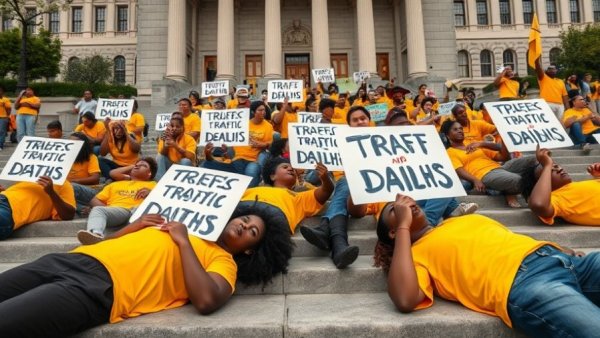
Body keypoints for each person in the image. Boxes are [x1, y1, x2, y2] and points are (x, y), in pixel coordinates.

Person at [0, 201, 293, 337]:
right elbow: (110, 244)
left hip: (97, 290)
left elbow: (206, 300)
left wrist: (183, 242)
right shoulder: (185, 224)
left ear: (250, 250)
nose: (244, 225)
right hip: (70, 260)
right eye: (246, 219)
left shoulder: (223, 262)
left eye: (251, 232)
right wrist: (134, 227)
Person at [375, 193, 600, 338]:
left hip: (565, 261)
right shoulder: (414, 256)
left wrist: (562, 251)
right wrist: (404, 225)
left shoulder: (459, 220)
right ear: (393, 232)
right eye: (395, 209)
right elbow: (404, 299)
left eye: (406, 201)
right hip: (527, 283)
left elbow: (507, 239)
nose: (405, 204)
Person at [441, 120, 536, 207]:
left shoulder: (473, 145)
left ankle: (507, 190)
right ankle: (513, 192)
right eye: (455, 129)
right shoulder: (450, 152)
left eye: (461, 128)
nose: (460, 131)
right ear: (448, 136)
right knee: (518, 180)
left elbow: (503, 157)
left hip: (500, 168)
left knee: (535, 159)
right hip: (484, 174)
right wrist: (475, 180)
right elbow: (459, 170)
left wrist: (487, 142)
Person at [241, 157, 334, 235]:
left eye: (293, 169)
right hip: (243, 211)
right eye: (285, 167)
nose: (290, 169)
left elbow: (326, 191)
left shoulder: (299, 197)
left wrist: (325, 179)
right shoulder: (250, 191)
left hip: (274, 221)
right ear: (272, 176)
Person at [77, 157, 157, 243]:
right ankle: (95, 235)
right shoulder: (115, 184)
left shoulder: (154, 185)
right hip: (118, 212)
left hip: (138, 213)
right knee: (97, 209)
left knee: (138, 209)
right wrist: (107, 211)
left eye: (143, 166)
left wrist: (152, 193)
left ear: (149, 173)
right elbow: (96, 200)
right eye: (136, 165)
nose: (137, 166)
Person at [523, 145, 600, 226]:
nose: (559, 168)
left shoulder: (577, 185)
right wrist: (547, 166)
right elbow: (538, 204)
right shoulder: (556, 198)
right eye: (551, 170)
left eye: (556, 165)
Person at [0, 176, 75, 240]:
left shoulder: (63, 183)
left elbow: (69, 214)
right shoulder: (25, 177)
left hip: (11, 210)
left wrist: (51, 192)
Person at [68, 132, 102, 214]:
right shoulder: (64, 157)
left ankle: (80, 208)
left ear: (83, 145)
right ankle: (81, 208)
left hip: (86, 189)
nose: (72, 145)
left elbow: (95, 178)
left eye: (75, 143)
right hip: (67, 189)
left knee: (71, 187)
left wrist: (74, 182)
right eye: (70, 142)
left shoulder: (91, 158)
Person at [156, 116, 196, 180]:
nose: (174, 128)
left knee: (185, 161)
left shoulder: (189, 139)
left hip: (182, 166)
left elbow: (190, 157)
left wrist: (175, 146)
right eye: (172, 126)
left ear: (183, 128)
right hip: (169, 166)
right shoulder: (165, 137)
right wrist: (166, 144)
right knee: (160, 156)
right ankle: (159, 182)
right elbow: (162, 154)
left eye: (177, 126)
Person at [0, 86, 11, 150]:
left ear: (2, 92)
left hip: (3, 117)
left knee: (1, 131)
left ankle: (0, 145)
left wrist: (7, 117)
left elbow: (9, 109)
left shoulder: (5, 99)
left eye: (0, 91)